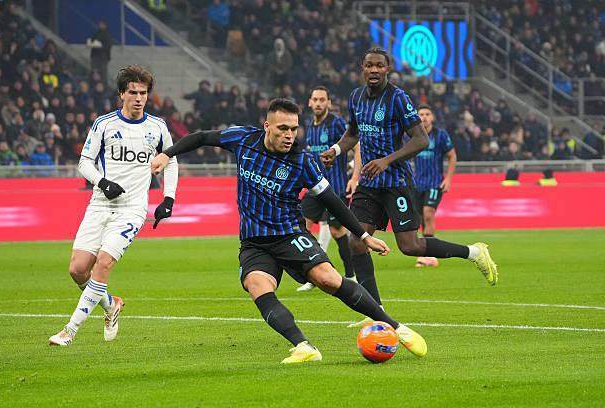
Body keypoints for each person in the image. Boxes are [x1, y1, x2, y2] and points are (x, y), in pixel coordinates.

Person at [151, 98, 427, 363]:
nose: (289, 135)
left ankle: (396, 327)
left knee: (327, 278)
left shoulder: (302, 161)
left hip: (290, 235)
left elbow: (332, 200)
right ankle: (304, 347)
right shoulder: (243, 139)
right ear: (267, 126)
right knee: (257, 285)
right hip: (254, 242)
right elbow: (201, 137)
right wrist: (166, 153)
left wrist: (364, 236)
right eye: (283, 128)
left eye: (294, 129)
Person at [321, 48, 498, 327]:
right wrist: (336, 149)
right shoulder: (356, 97)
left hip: (397, 182)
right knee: (357, 241)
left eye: (379, 65)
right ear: (362, 68)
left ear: (388, 69)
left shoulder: (398, 98)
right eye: (369, 65)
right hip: (369, 182)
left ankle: (474, 253)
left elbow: (421, 139)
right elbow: (353, 134)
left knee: (410, 246)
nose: (374, 70)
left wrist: (386, 160)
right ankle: (375, 311)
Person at [49, 66, 179, 346]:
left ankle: (69, 331)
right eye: (133, 92)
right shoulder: (104, 124)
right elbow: (84, 162)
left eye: (143, 93)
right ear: (122, 94)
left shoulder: (157, 127)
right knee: (77, 269)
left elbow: (171, 161)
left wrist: (168, 198)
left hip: (132, 209)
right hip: (100, 204)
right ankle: (111, 304)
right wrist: (102, 182)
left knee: (104, 263)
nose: (139, 98)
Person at [297, 86, 357, 292]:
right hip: (314, 187)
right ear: (309, 102)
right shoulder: (309, 125)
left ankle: (351, 275)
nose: (318, 103)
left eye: (322, 99)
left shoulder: (336, 123)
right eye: (315, 99)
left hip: (335, 188)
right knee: (301, 227)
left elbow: (356, 145)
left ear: (329, 103)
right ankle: (314, 274)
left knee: (337, 231)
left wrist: (355, 177)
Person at [412, 104, 457, 268]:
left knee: (428, 213)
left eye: (427, 114)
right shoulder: (413, 135)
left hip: (434, 182)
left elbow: (452, 156)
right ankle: (427, 252)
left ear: (432, 117)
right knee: (420, 218)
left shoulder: (440, 135)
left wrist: (448, 179)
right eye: (421, 114)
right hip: (417, 184)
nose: (424, 117)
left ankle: (429, 255)